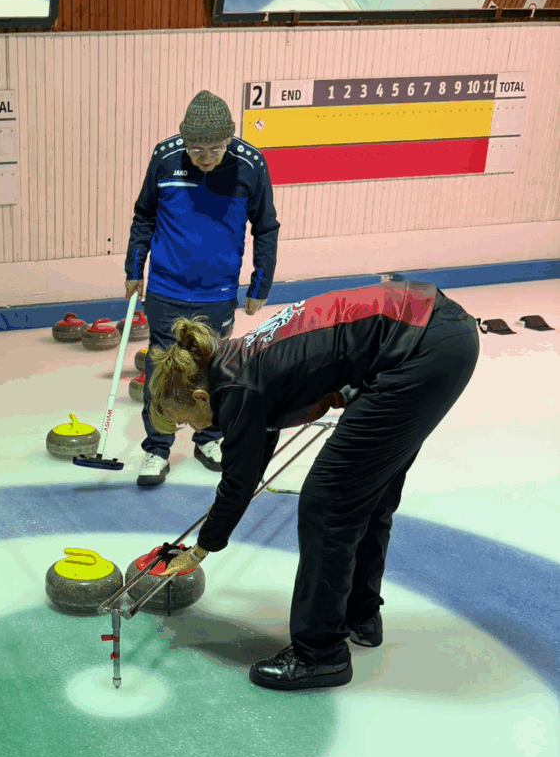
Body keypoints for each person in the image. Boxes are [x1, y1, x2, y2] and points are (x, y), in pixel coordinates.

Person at [145, 277, 480, 691]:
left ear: (199, 397)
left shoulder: (236, 388)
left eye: (187, 422)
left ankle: (320, 655)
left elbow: (239, 481)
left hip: (418, 348)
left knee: (327, 503)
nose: (195, 429)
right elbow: (255, 455)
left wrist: (201, 549)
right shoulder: (237, 359)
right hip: (437, 330)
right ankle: (360, 613)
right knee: (367, 492)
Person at [126, 89, 279, 483]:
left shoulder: (250, 164)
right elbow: (144, 215)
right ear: (184, 140)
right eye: (196, 149)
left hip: (217, 292)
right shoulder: (165, 157)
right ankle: (157, 448)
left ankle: (208, 437)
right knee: (161, 371)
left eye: (214, 148)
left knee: (213, 371)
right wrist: (134, 268)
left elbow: (265, 227)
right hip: (166, 288)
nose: (205, 157)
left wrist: (260, 284)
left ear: (229, 138)